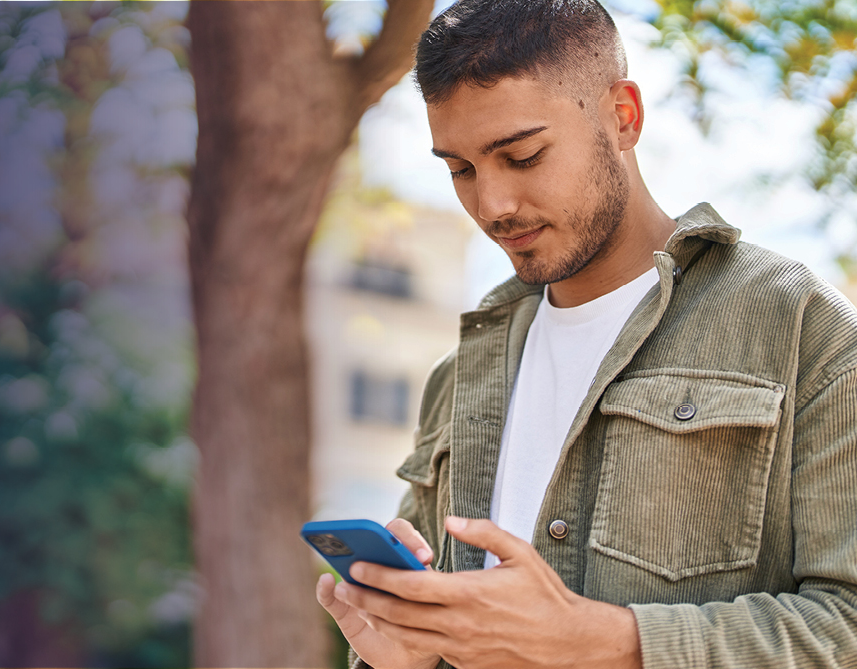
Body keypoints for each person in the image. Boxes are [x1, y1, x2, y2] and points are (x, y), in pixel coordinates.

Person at [314, 0, 857, 667]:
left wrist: (605, 641)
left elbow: (847, 627)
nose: (492, 205)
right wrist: (402, 656)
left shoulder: (801, 326)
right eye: (460, 169)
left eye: (521, 155)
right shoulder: (460, 376)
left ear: (622, 116)